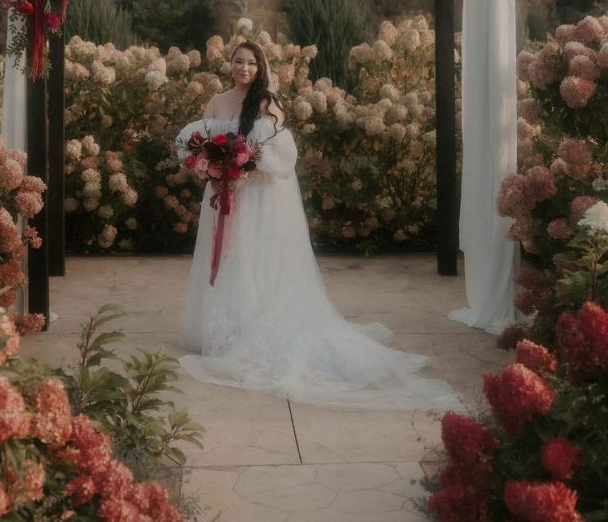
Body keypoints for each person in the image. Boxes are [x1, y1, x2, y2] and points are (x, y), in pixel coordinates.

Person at [176, 39, 461, 410]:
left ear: (260, 68)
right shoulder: (216, 103)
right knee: (229, 258)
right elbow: (196, 144)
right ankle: (226, 327)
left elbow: (281, 156)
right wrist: (211, 165)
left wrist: (246, 163)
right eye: (238, 61)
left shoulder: (267, 104)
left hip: (258, 197)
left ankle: (254, 325)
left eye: (250, 63)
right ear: (229, 63)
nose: (243, 68)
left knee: (255, 258)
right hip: (225, 195)